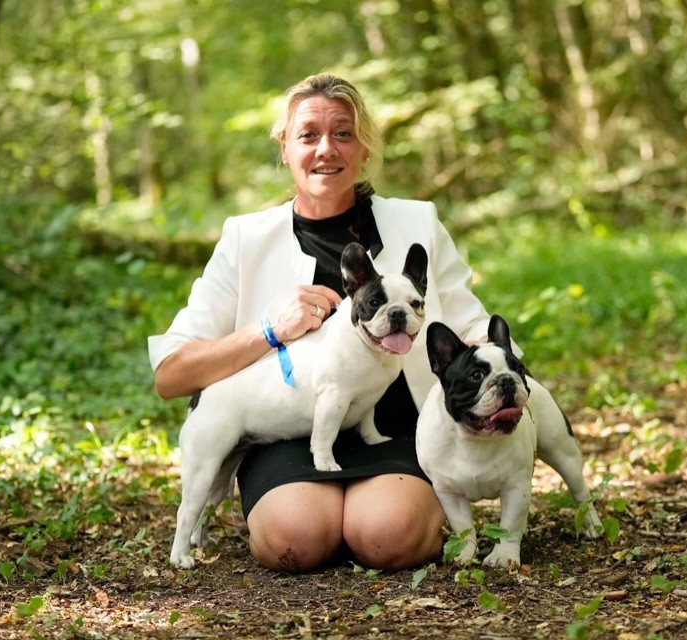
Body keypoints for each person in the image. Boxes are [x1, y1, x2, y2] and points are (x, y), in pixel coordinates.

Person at [149, 73, 503, 573]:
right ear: (285, 147)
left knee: (389, 538)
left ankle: (375, 512)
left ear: (364, 147)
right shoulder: (246, 238)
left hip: (402, 429)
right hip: (285, 433)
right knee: (295, 540)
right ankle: (328, 513)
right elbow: (171, 374)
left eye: (343, 133)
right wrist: (268, 332)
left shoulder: (418, 221)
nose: (326, 150)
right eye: (308, 135)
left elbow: (474, 326)